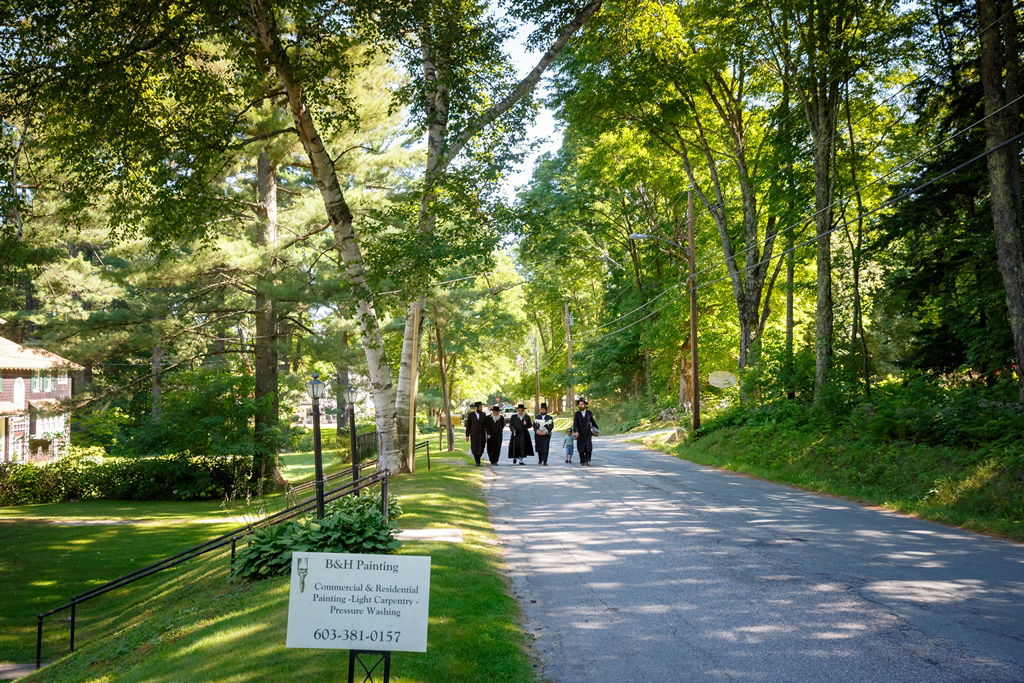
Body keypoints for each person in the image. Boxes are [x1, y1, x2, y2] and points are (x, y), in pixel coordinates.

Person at [573, 398, 599, 466]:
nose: (580, 406)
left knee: (588, 446)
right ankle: (582, 461)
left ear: (585, 405)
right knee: (581, 447)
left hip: (588, 433)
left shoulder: (589, 412)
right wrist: (576, 431)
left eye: (582, 404)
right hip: (580, 433)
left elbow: (592, 421)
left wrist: (596, 429)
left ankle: (587, 460)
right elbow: (575, 423)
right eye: (579, 404)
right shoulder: (577, 413)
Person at [465, 401, 488, 466]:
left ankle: (478, 457)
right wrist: (467, 435)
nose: (481, 408)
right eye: (480, 407)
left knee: (482, 448)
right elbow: (468, 426)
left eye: (481, 407)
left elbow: (486, 425)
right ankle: (477, 462)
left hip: (482, 434)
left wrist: (488, 433)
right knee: (474, 448)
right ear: (476, 408)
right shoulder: (470, 415)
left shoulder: (483, 414)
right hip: (474, 435)